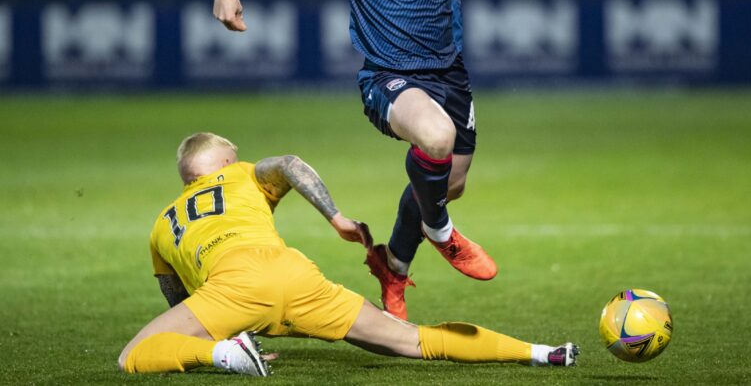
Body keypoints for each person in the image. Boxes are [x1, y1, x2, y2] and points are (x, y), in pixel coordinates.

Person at [212, 0, 650, 320]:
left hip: (450, 75)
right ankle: (441, 232)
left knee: (448, 182)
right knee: (436, 140)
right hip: (387, 76)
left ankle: (393, 266)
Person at [118, 132, 580, 376]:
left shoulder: (162, 224)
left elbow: (174, 297)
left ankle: (225, 356)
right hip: (295, 277)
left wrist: (211, 342)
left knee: (133, 356)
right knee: (413, 340)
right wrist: (336, 217)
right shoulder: (239, 175)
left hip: (230, 291)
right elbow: (291, 165)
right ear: (220, 165)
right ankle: (542, 353)